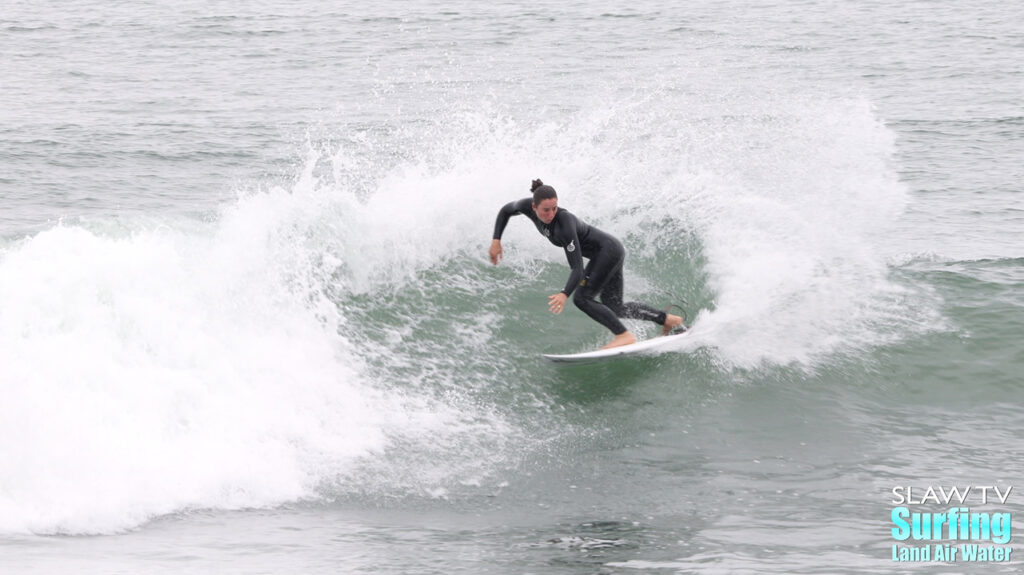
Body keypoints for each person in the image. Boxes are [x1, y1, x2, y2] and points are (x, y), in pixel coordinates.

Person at [489, 179, 685, 349]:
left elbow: (577, 268)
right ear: (534, 207)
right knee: (615, 306)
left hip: (607, 252)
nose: (550, 213)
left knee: (581, 298)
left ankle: (623, 335)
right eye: (545, 210)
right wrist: (496, 240)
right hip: (611, 250)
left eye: (554, 208)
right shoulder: (525, 206)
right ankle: (668, 320)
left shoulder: (564, 225)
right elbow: (506, 210)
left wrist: (564, 293)